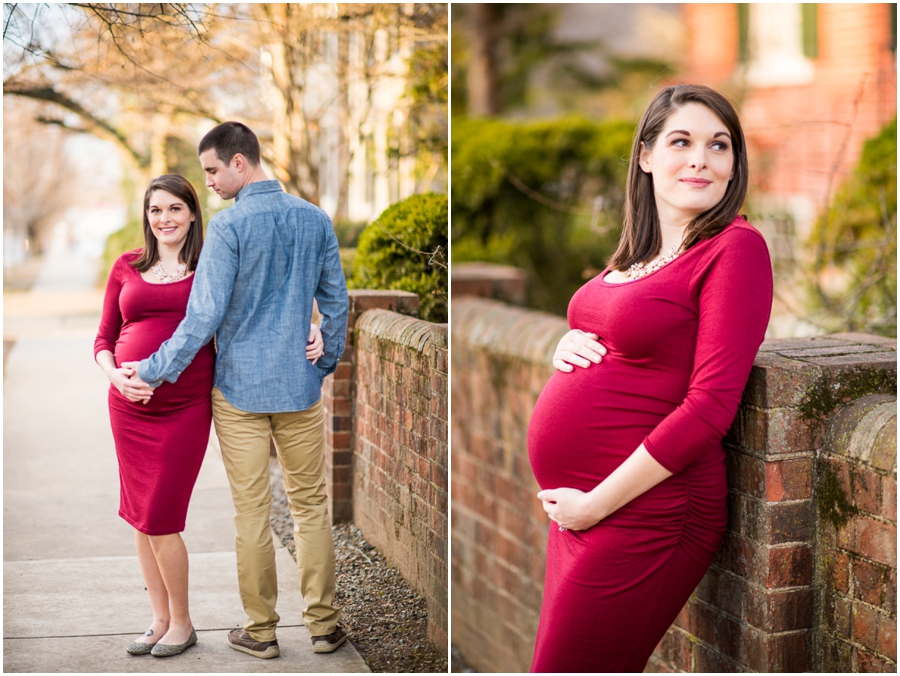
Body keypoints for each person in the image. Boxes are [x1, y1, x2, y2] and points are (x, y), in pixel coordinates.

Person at [526, 84, 773, 672]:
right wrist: (569, 341)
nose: (700, 159)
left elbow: (710, 407)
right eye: (681, 141)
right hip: (586, 511)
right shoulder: (641, 252)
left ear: (734, 162)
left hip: (649, 510)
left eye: (719, 145)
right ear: (644, 155)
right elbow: (632, 341)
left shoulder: (734, 249)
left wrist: (596, 505)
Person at [122, 121, 350, 659]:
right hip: (299, 385)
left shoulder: (228, 228)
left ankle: (262, 632)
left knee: (251, 512)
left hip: (238, 392)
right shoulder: (315, 220)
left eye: (213, 171)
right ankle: (323, 626)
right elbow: (336, 303)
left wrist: (153, 371)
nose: (211, 183)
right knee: (311, 506)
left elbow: (203, 317)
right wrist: (326, 359)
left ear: (240, 163)